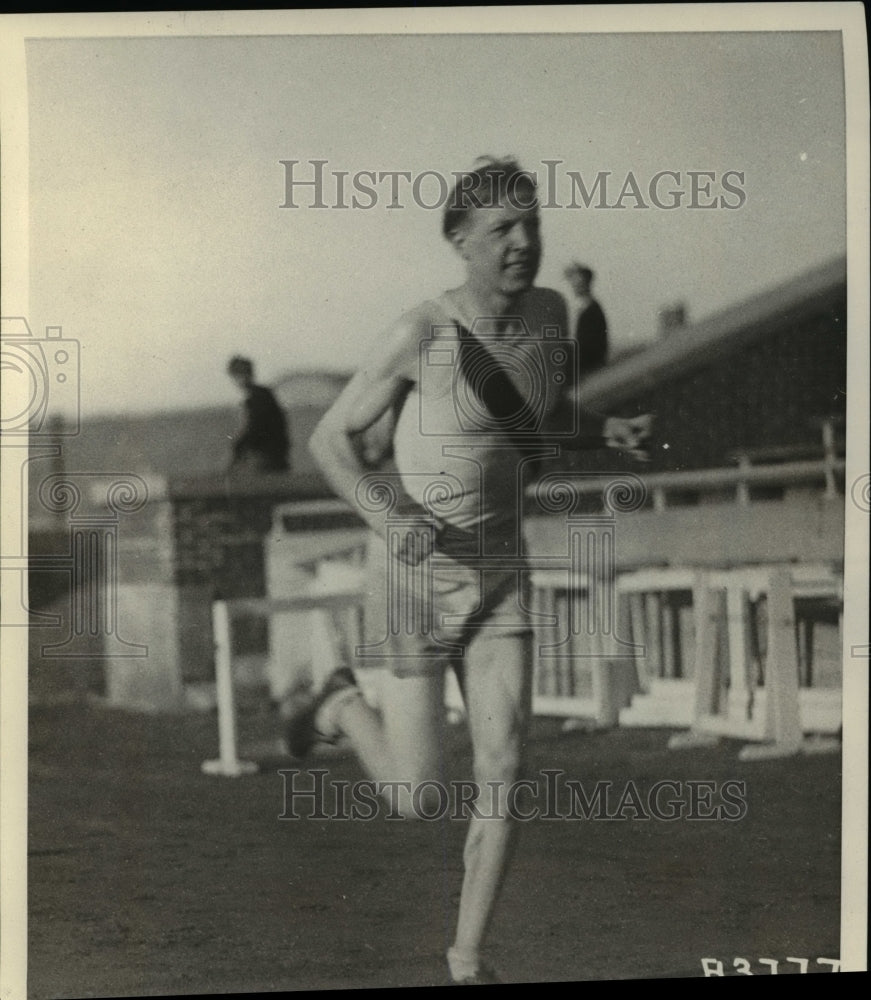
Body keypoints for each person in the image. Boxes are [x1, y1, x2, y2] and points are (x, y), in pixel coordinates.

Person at [288, 158, 651, 985]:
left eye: (532, 225)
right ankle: (343, 706)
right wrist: (390, 515)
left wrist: (604, 431)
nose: (524, 242)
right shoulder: (421, 331)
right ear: (459, 241)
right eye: (502, 230)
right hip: (414, 580)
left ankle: (466, 956)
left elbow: (536, 416)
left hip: (498, 576)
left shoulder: (553, 315)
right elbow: (328, 440)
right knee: (417, 797)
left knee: (506, 763)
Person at [226, 356, 291, 473]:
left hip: (265, 459)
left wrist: (237, 450)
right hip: (276, 456)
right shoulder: (265, 395)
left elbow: (252, 430)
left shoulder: (256, 398)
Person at [564, 263, 609, 383]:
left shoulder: (592, 310)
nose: (575, 286)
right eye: (573, 283)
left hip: (590, 372)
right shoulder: (579, 309)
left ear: (587, 283)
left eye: (579, 283)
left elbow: (589, 347)